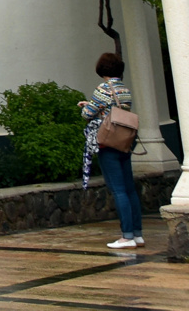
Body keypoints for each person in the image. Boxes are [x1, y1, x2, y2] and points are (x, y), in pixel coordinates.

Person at [78, 51, 142, 250]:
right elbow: (113, 110)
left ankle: (126, 236)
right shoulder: (124, 89)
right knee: (130, 189)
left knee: (118, 190)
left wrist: (86, 107)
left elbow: (88, 114)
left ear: (102, 69)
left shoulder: (104, 88)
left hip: (108, 143)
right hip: (124, 142)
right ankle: (137, 234)